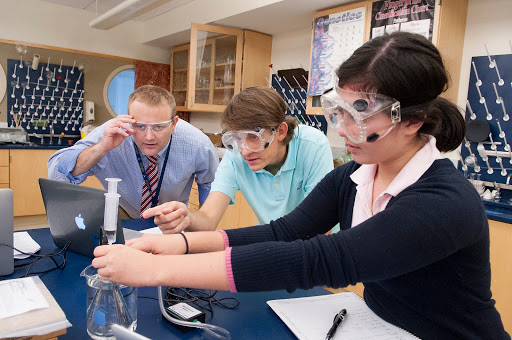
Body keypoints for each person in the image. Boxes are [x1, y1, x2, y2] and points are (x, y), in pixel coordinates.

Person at [92, 32, 510, 339]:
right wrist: (180, 244)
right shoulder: (353, 176)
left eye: (360, 113)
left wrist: (156, 269)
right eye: (340, 110)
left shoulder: (443, 202)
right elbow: (284, 232)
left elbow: (316, 259)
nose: (343, 129)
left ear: (414, 120)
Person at [146, 86, 333, 233]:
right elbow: (208, 219)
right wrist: (187, 217)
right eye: (237, 138)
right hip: (271, 239)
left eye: (253, 137)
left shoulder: (313, 146)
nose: (244, 151)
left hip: (314, 246)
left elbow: (318, 226)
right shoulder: (235, 156)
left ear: (281, 131)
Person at [48, 85, 219, 219]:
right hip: (124, 212)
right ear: (129, 119)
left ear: (174, 123)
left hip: (173, 216)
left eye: (159, 127)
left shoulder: (198, 144)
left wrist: (203, 224)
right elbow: (57, 173)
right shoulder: (110, 133)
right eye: (140, 126)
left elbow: (210, 183)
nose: (149, 136)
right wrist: (102, 148)